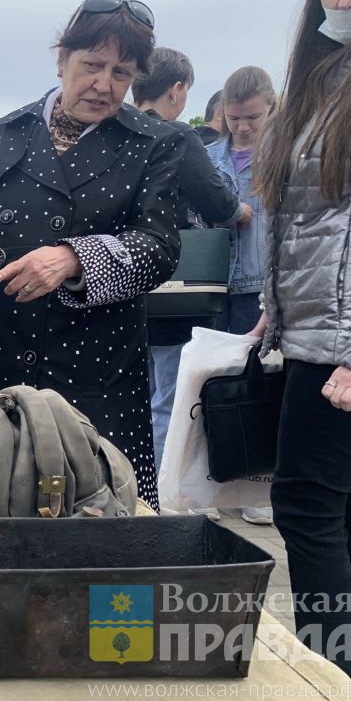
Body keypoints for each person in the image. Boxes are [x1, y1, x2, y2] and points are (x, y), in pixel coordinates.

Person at [0, 0, 183, 510]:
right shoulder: (0, 136)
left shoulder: (155, 144)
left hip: (91, 371)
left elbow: (162, 247)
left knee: (91, 521)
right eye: (91, 65)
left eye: (121, 73)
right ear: (62, 60)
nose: (103, 85)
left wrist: (76, 257)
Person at [251, 0, 351, 683]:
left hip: (348, 345)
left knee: (304, 506)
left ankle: (326, 674)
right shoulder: (326, 77)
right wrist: (278, 310)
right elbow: (308, 221)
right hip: (316, 332)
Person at [131, 47, 247, 473]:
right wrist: (242, 211)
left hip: (115, 290)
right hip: (174, 290)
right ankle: (158, 489)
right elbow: (218, 202)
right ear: (177, 90)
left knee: (133, 396)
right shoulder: (178, 137)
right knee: (167, 400)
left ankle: (128, 480)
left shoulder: (114, 133)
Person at [207, 66, 276, 335]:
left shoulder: (285, 155)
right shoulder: (207, 158)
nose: (242, 126)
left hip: (259, 285)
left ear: (271, 105)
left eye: (253, 117)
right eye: (233, 117)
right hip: (212, 283)